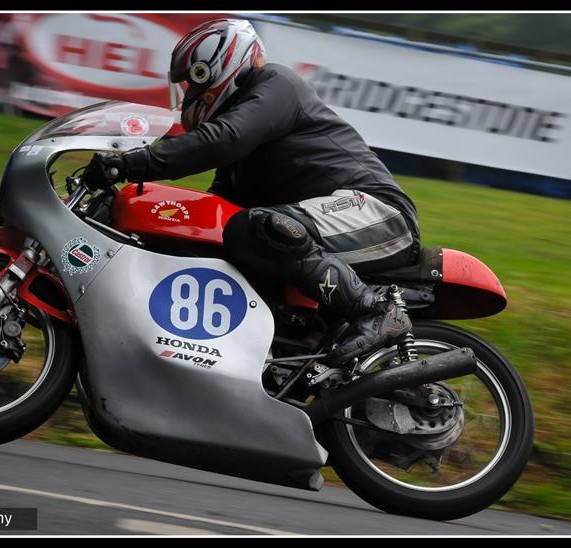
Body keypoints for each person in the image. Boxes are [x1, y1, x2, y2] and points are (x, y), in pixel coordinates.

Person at [83, 18, 420, 366]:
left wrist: (131, 163)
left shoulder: (277, 85)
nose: (188, 96)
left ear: (217, 68)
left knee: (259, 226)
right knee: (230, 237)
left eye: (191, 82)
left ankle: (374, 309)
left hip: (378, 213)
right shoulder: (240, 151)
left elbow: (223, 139)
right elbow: (211, 212)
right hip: (326, 220)